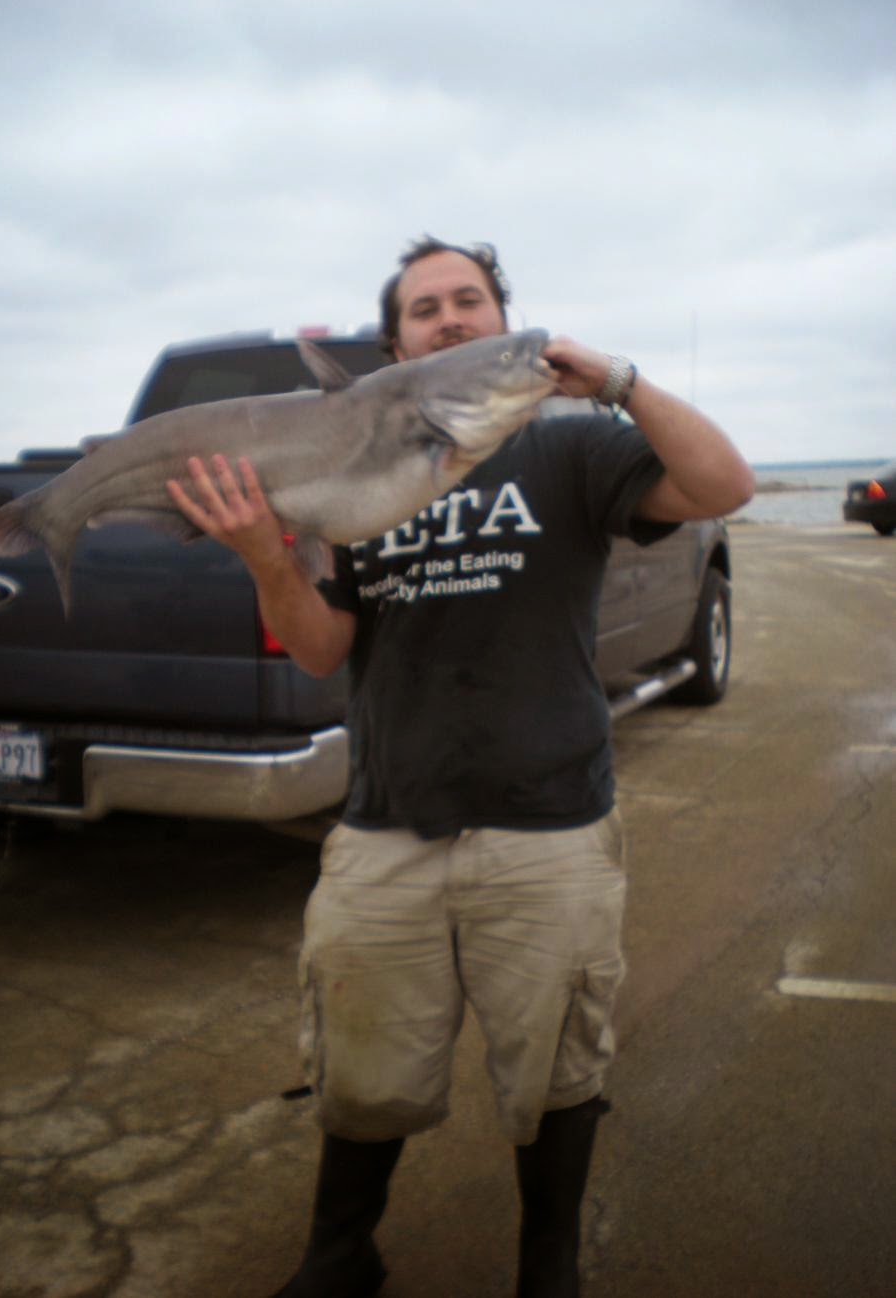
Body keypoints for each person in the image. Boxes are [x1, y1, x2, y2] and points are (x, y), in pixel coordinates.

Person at [166, 237, 755, 1298]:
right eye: (423, 308)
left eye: (467, 301)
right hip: (388, 820)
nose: (447, 318)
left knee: (556, 1064)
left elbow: (722, 484)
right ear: (394, 346)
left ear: (504, 322)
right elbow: (317, 650)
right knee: (359, 1061)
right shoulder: (352, 471)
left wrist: (615, 381)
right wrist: (265, 556)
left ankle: (548, 1265)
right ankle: (340, 1254)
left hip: (549, 824)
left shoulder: (568, 450)